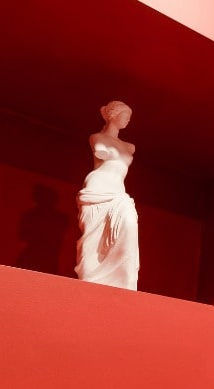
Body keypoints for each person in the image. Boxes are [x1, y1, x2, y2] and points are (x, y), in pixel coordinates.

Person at [75, 100, 139, 290]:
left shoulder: (129, 147)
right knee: (93, 242)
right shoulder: (97, 138)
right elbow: (100, 151)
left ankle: (125, 282)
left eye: (129, 118)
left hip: (119, 194)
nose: (128, 120)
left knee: (129, 225)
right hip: (97, 190)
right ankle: (90, 279)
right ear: (113, 115)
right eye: (125, 116)